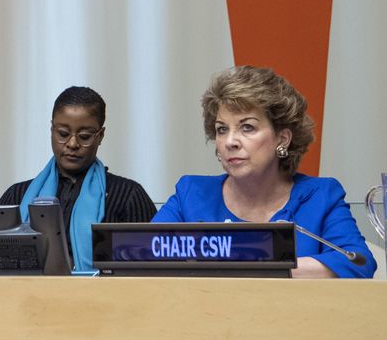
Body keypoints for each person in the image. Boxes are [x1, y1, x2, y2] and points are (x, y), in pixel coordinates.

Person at [153, 66, 375, 278]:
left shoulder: (320, 196)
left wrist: (252, 267)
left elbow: (359, 263)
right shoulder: (191, 194)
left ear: (282, 138)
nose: (230, 141)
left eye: (247, 127)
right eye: (222, 129)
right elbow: (141, 253)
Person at [0, 86, 157, 273]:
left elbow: (148, 272)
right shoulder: (17, 195)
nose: (72, 144)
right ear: (51, 129)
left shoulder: (128, 196)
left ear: (101, 136)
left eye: (84, 137)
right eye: (63, 134)